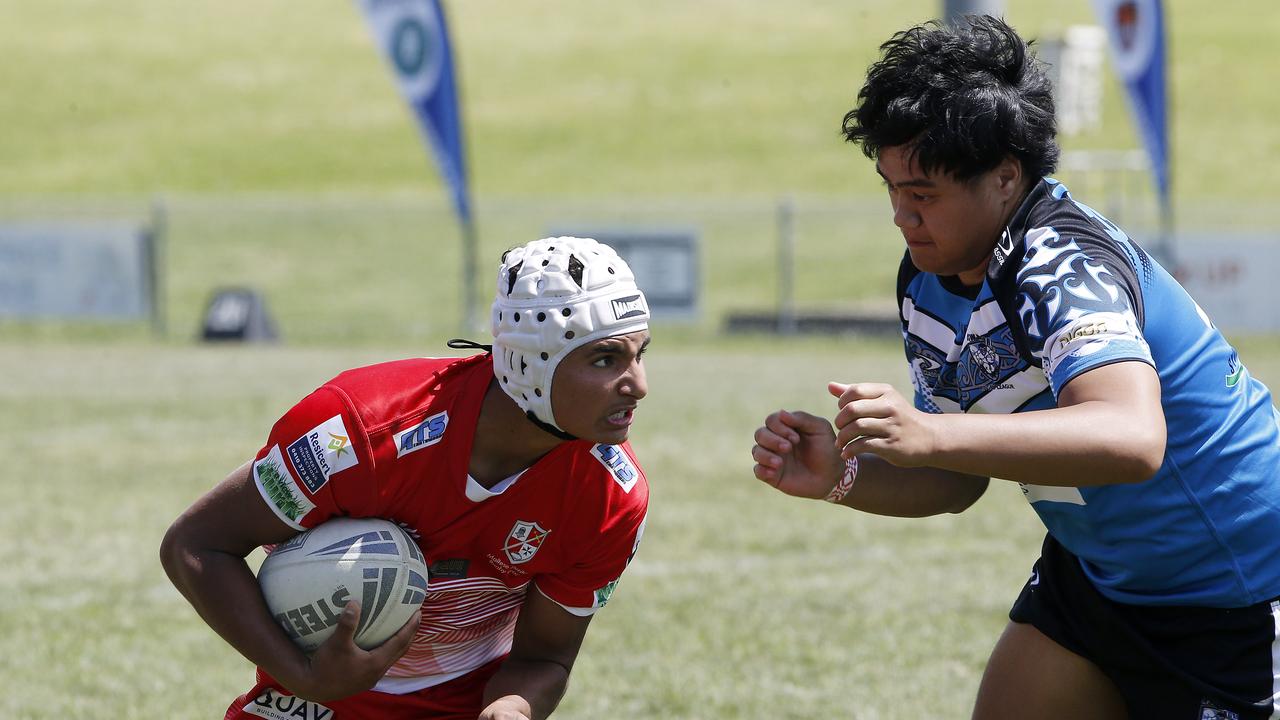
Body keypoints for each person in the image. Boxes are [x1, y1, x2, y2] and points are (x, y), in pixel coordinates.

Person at [751, 15, 1280, 719]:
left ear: (1005, 178)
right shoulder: (928, 281)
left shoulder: (1065, 264)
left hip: (1234, 593)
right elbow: (956, 480)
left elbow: (1131, 437)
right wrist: (842, 476)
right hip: (1099, 582)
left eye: (924, 194)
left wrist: (930, 433)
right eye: (892, 190)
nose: (902, 218)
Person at [162, 236, 652, 720]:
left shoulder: (612, 495)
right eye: (606, 359)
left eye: (640, 354)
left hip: (463, 702)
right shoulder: (359, 431)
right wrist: (303, 675)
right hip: (317, 697)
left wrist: (511, 710)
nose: (638, 386)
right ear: (529, 360)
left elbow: (544, 658)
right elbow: (196, 544)